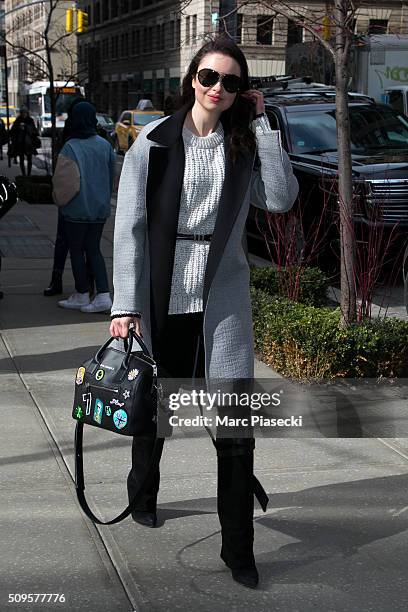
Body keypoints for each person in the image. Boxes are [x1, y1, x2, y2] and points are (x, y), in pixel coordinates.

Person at [109, 36, 299, 588]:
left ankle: (238, 549)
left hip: (223, 298)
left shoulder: (244, 143)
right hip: (164, 293)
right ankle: (143, 491)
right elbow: (129, 229)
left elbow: (282, 199)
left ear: (242, 92)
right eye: (210, 77)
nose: (218, 88)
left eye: (231, 82)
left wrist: (263, 127)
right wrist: (125, 304)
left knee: (236, 426)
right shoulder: (154, 142)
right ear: (193, 78)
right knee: (156, 406)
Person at [54, 101, 115, 313]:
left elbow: (63, 182)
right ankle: (103, 294)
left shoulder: (71, 146)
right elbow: (111, 178)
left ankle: (81, 293)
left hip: (76, 209)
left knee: (77, 251)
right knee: (95, 250)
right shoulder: (105, 145)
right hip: (99, 209)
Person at [44, 95, 86, 296]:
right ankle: (89, 285)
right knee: (88, 248)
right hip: (91, 200)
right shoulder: (97, 138)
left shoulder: (70, 139)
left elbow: (60, 170)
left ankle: (57, 280)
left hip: (71, 200)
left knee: (64, 243)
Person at [9, 107, 40, 176]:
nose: (24, 114)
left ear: (27, 113)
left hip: (29, 143)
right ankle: (23, 174)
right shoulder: (18, 120)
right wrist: (18, 127)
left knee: (29, 159)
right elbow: (12, 132)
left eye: (25, 113)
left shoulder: (30, 120)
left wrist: (26, 127)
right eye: (22, 113)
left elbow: (34, 131)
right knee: (21, 159)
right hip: (20, 143)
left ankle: (29, 174)